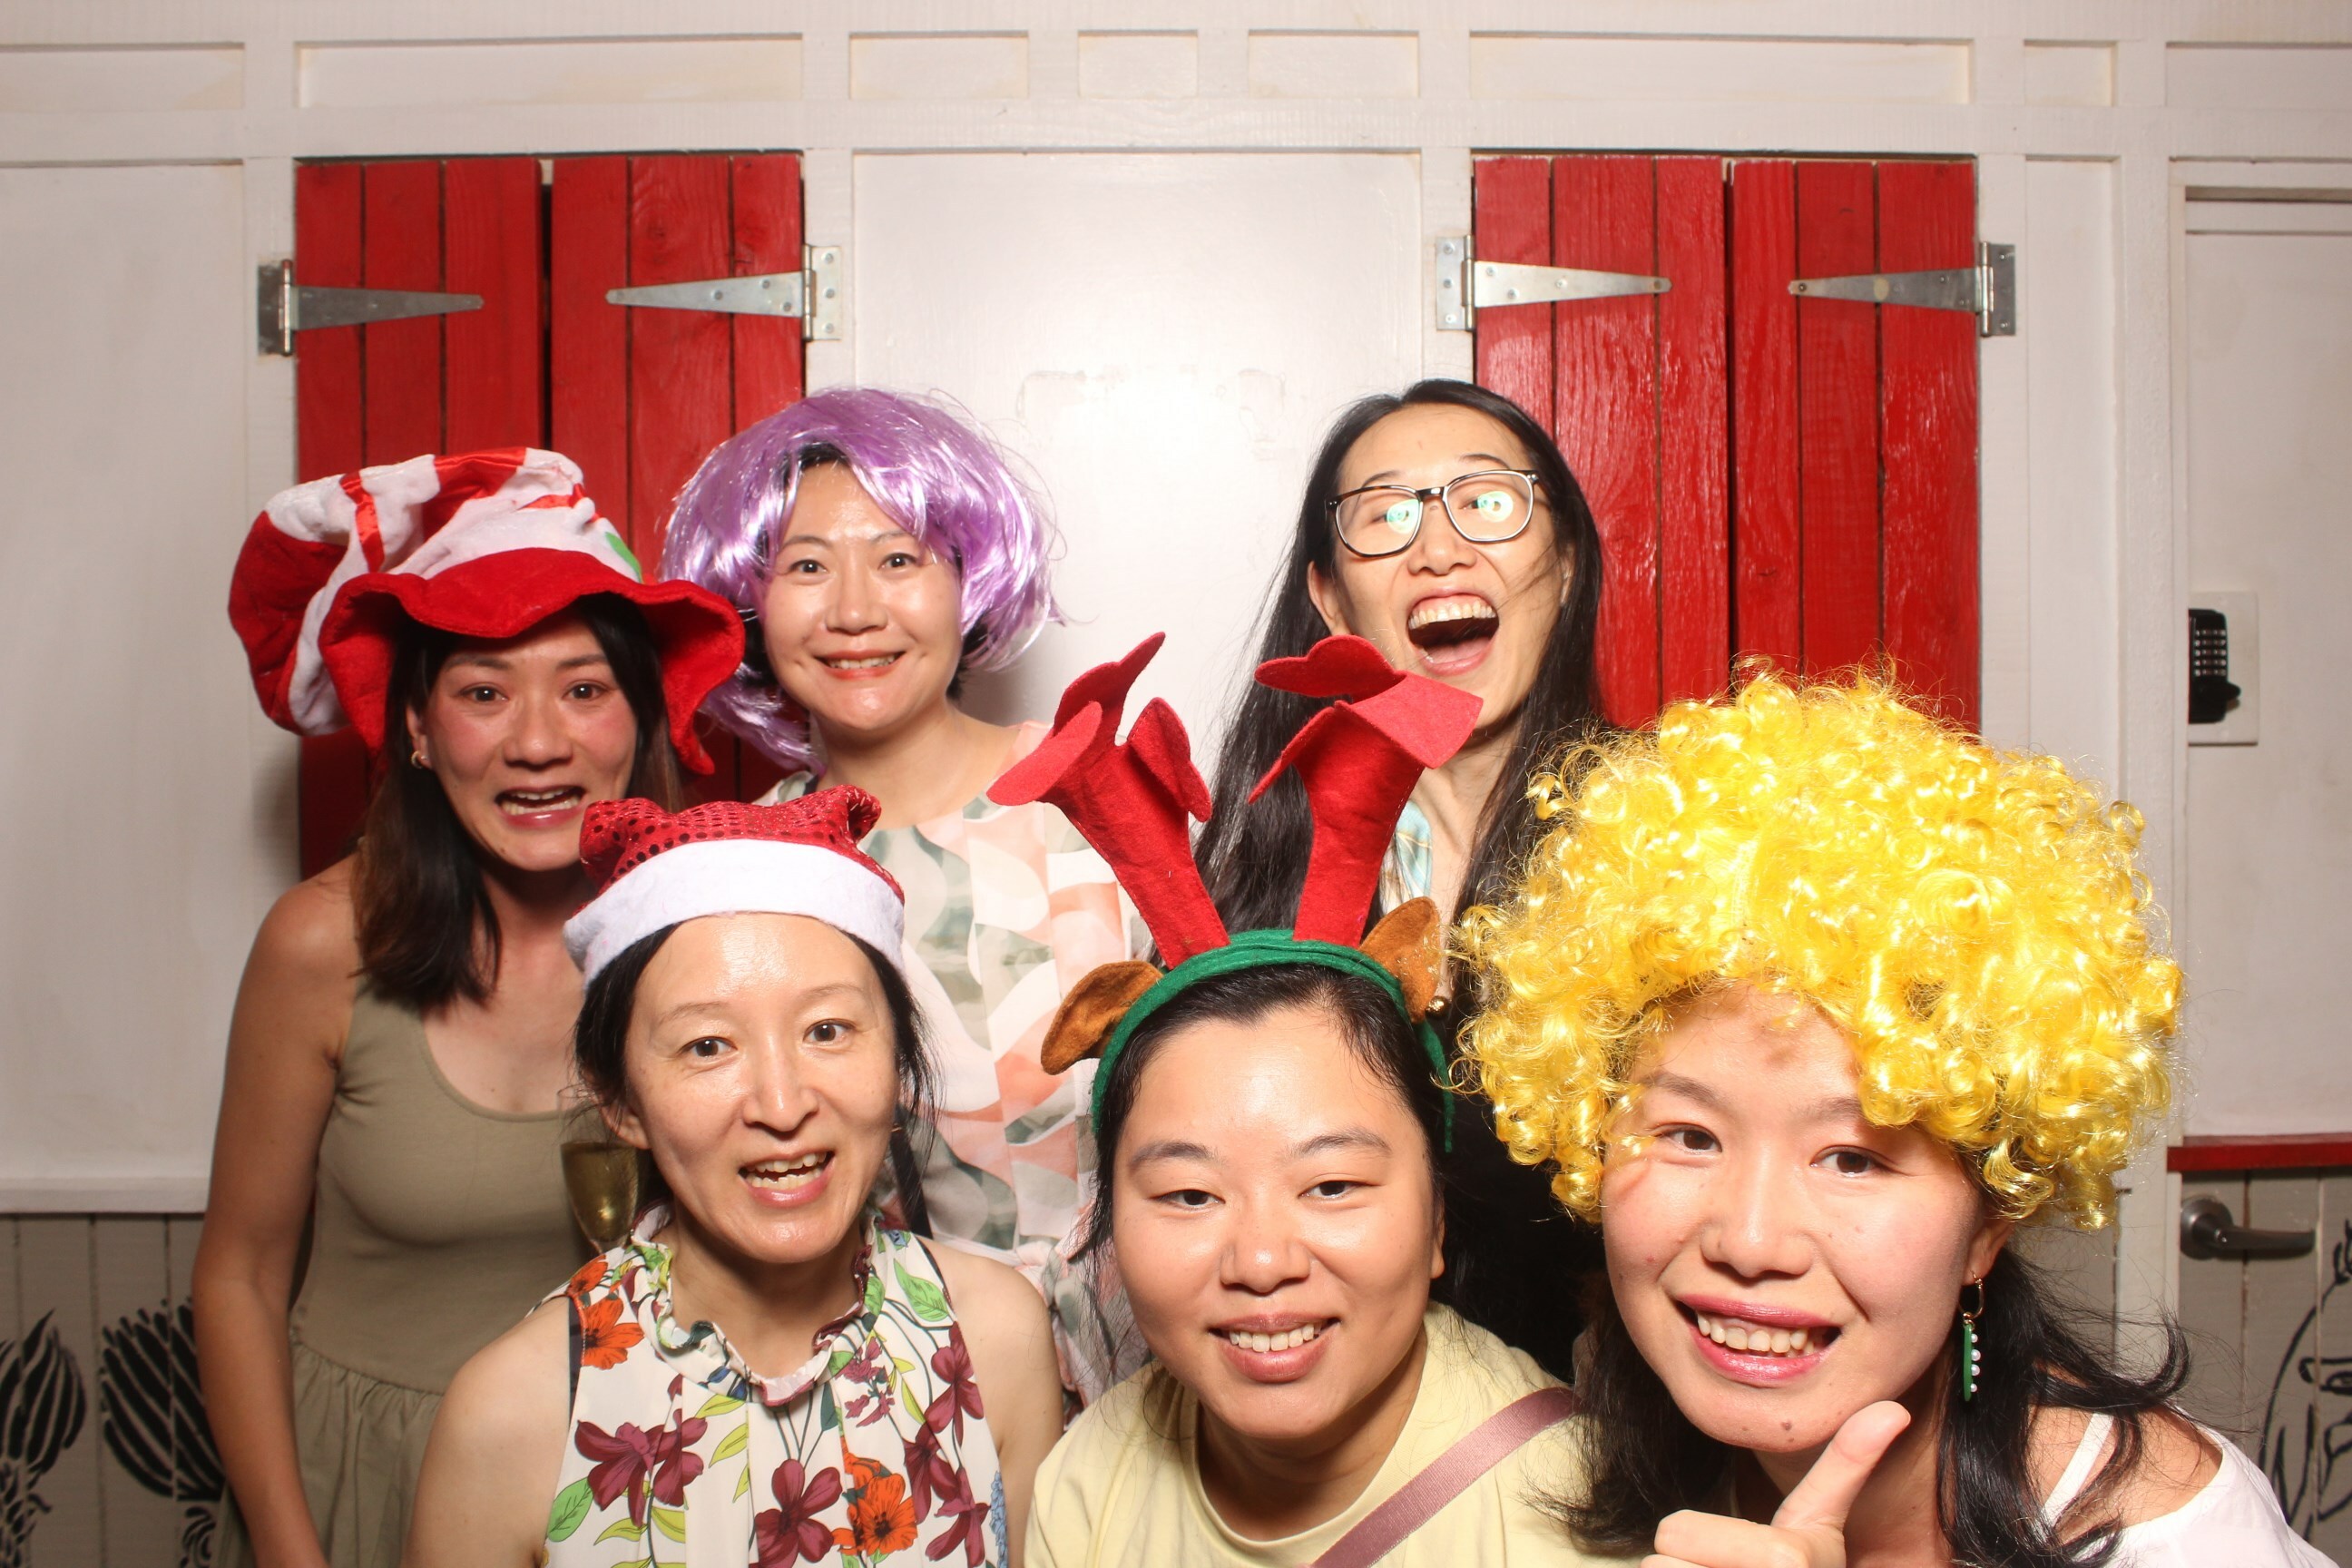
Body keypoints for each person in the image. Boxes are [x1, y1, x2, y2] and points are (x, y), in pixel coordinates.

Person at [1461, 671, 2329, 1567]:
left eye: (1852, 1158)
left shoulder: (2174, 1543)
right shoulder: (1605, 1440)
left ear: (1990, 1225)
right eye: (1691, 1137)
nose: (1750, 1243)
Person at [198, 450, 745, 1568]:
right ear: (415, 726)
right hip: (369, 1489)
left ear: (642, 719)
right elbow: (238, 1277)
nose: (537, 741)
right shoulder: (322, 944)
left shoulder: (711, 944)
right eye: (484, 692)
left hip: (635, 1481)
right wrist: (292, 1553)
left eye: (584, 689)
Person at [999, 634, 1615, 1565]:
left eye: (1331, 1186)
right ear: (1110, 1221)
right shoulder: (1089, 1482)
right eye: (1189, 1195)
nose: (1260, 1261)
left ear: (1437, 1215)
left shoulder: (1565, 1508)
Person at [404, 790, 1064, 1566]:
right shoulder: (515, 1414)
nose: (781, 1107)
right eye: (708, 1046)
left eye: (828, 1030)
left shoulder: (994, 1337)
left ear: (897, 1060)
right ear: (620, 1099)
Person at [662, 387, 1138, 1399]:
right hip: (889, 1400)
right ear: (750, 604)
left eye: (898, 559)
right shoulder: (740, 869)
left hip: (1153, 1376)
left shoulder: (1100, 798)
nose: (853, 611)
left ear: (969, 580)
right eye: (805, 567)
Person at [1194, 378, 1608, 1383]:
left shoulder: (1679, 839)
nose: (1439, 548)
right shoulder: (1255, 884)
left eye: (1489, 500)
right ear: (1332, 600)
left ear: (1563, 562)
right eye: (1385, 515)